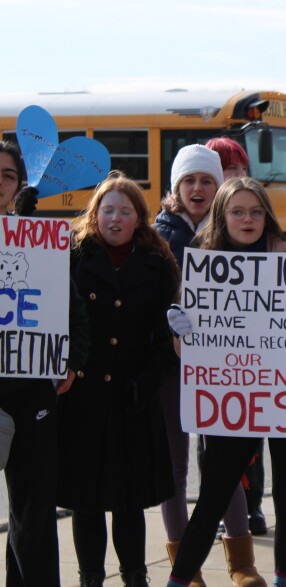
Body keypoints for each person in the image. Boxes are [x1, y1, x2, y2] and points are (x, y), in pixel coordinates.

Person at [166, 177, 286, 587]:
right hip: (231, 397)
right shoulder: (201, 266)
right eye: (238, 211)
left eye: (256, 211)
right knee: (214, 496)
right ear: (222, 216)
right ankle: (178, 581)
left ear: (267, 216)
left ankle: (283, 582)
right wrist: (182, 334)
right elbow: (188, 355)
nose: (248, 219)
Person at [60, 172, 179, 587]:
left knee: (129, 501)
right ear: (95, 214)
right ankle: (90, 577)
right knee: (84, 499)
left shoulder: (158, 261)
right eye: (107, 209)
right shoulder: (72, 255)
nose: (115, 218)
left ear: (138, 218)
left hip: (133, 394)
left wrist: (150, 378)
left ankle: (135, 576)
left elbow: (167, 334)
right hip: (81, 395)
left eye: (124, 211)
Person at [153, 144, 263, 585]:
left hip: (225, 369)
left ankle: (242, 562)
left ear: (219, 186)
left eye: (207, 180)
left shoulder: (234, 232)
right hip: (170, 369)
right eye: (189, 180)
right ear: (176, 187)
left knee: (224, 463)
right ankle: (188, 567)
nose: (198, 188)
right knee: (174, 470)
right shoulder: (156, 238)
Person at [0, 141, 89, 587]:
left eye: (7, 175)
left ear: (19, 185)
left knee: (34, 510)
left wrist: (74, 360)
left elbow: (72, 307)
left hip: (31, 388)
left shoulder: (42, 239)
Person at [204, 136, 269, 537]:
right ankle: (215, 505)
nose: (235, 176)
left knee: (257, 429)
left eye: (240, 169)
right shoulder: (198, 240)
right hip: (213, 366)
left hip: (259, 361)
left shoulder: (269, 238)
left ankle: (253, 505)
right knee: (210, 436)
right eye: (226, 169)